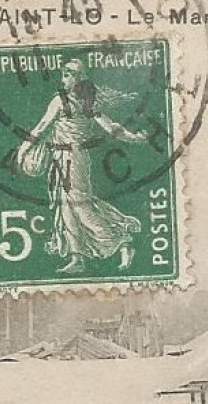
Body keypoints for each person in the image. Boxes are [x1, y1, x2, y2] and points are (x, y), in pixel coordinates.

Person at [14, 57, 149, 275]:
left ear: (78, 79)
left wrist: (22, 151)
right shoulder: (73, 101)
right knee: (66, 208)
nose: (64, 77)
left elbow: (41, 127)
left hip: (72, 158)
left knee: (81, 207)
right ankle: (77, 258)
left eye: (69, 73)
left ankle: (121, 242)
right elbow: (111, 127)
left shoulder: (73, 102)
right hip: (63, 157)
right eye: (64, 73)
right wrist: (134, 138)